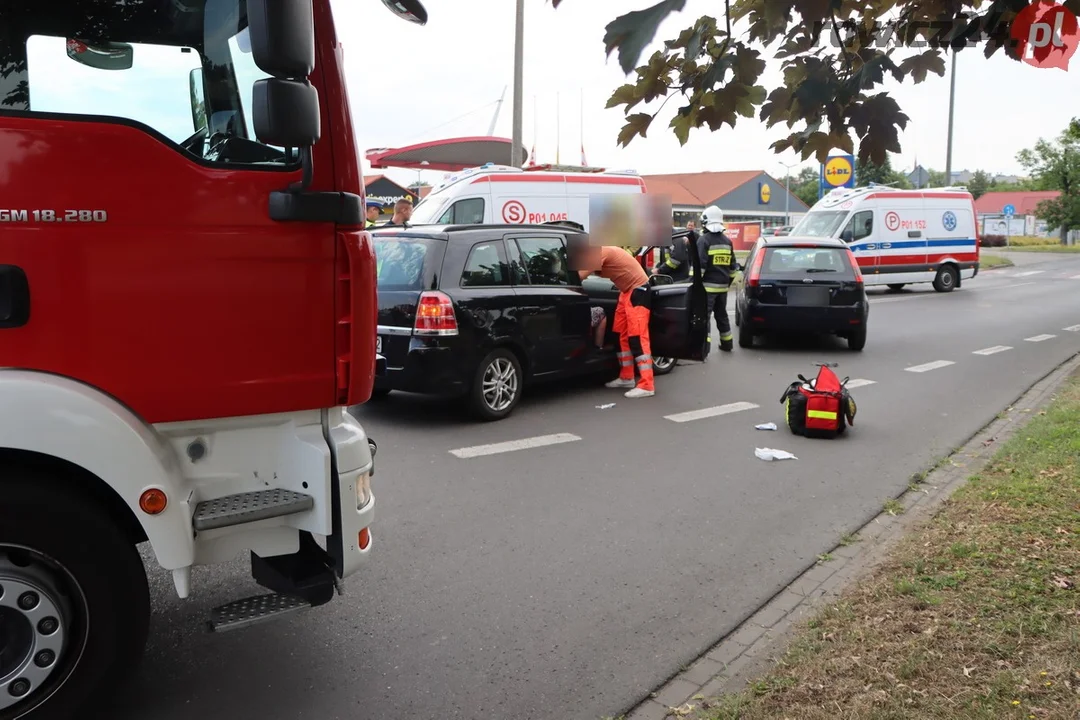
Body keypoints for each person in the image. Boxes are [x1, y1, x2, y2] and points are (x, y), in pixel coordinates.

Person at [575, 244, 655, 398]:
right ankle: (627, 377)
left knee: (637, 338)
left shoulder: (600, 252)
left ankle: (647, 384)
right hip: (626, 292)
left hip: (638, 290)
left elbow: (579, 276)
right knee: (620, 335)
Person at [697, 205, 737, 356]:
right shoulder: (727, 241)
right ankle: (727, 344)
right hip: (723, 288)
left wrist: (694, 284)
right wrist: (726, 283)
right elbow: (733, 268)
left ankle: (704, 349)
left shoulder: (704, 241)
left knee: (704, 318)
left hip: (707, 289)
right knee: (722, 315)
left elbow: (700, 267)